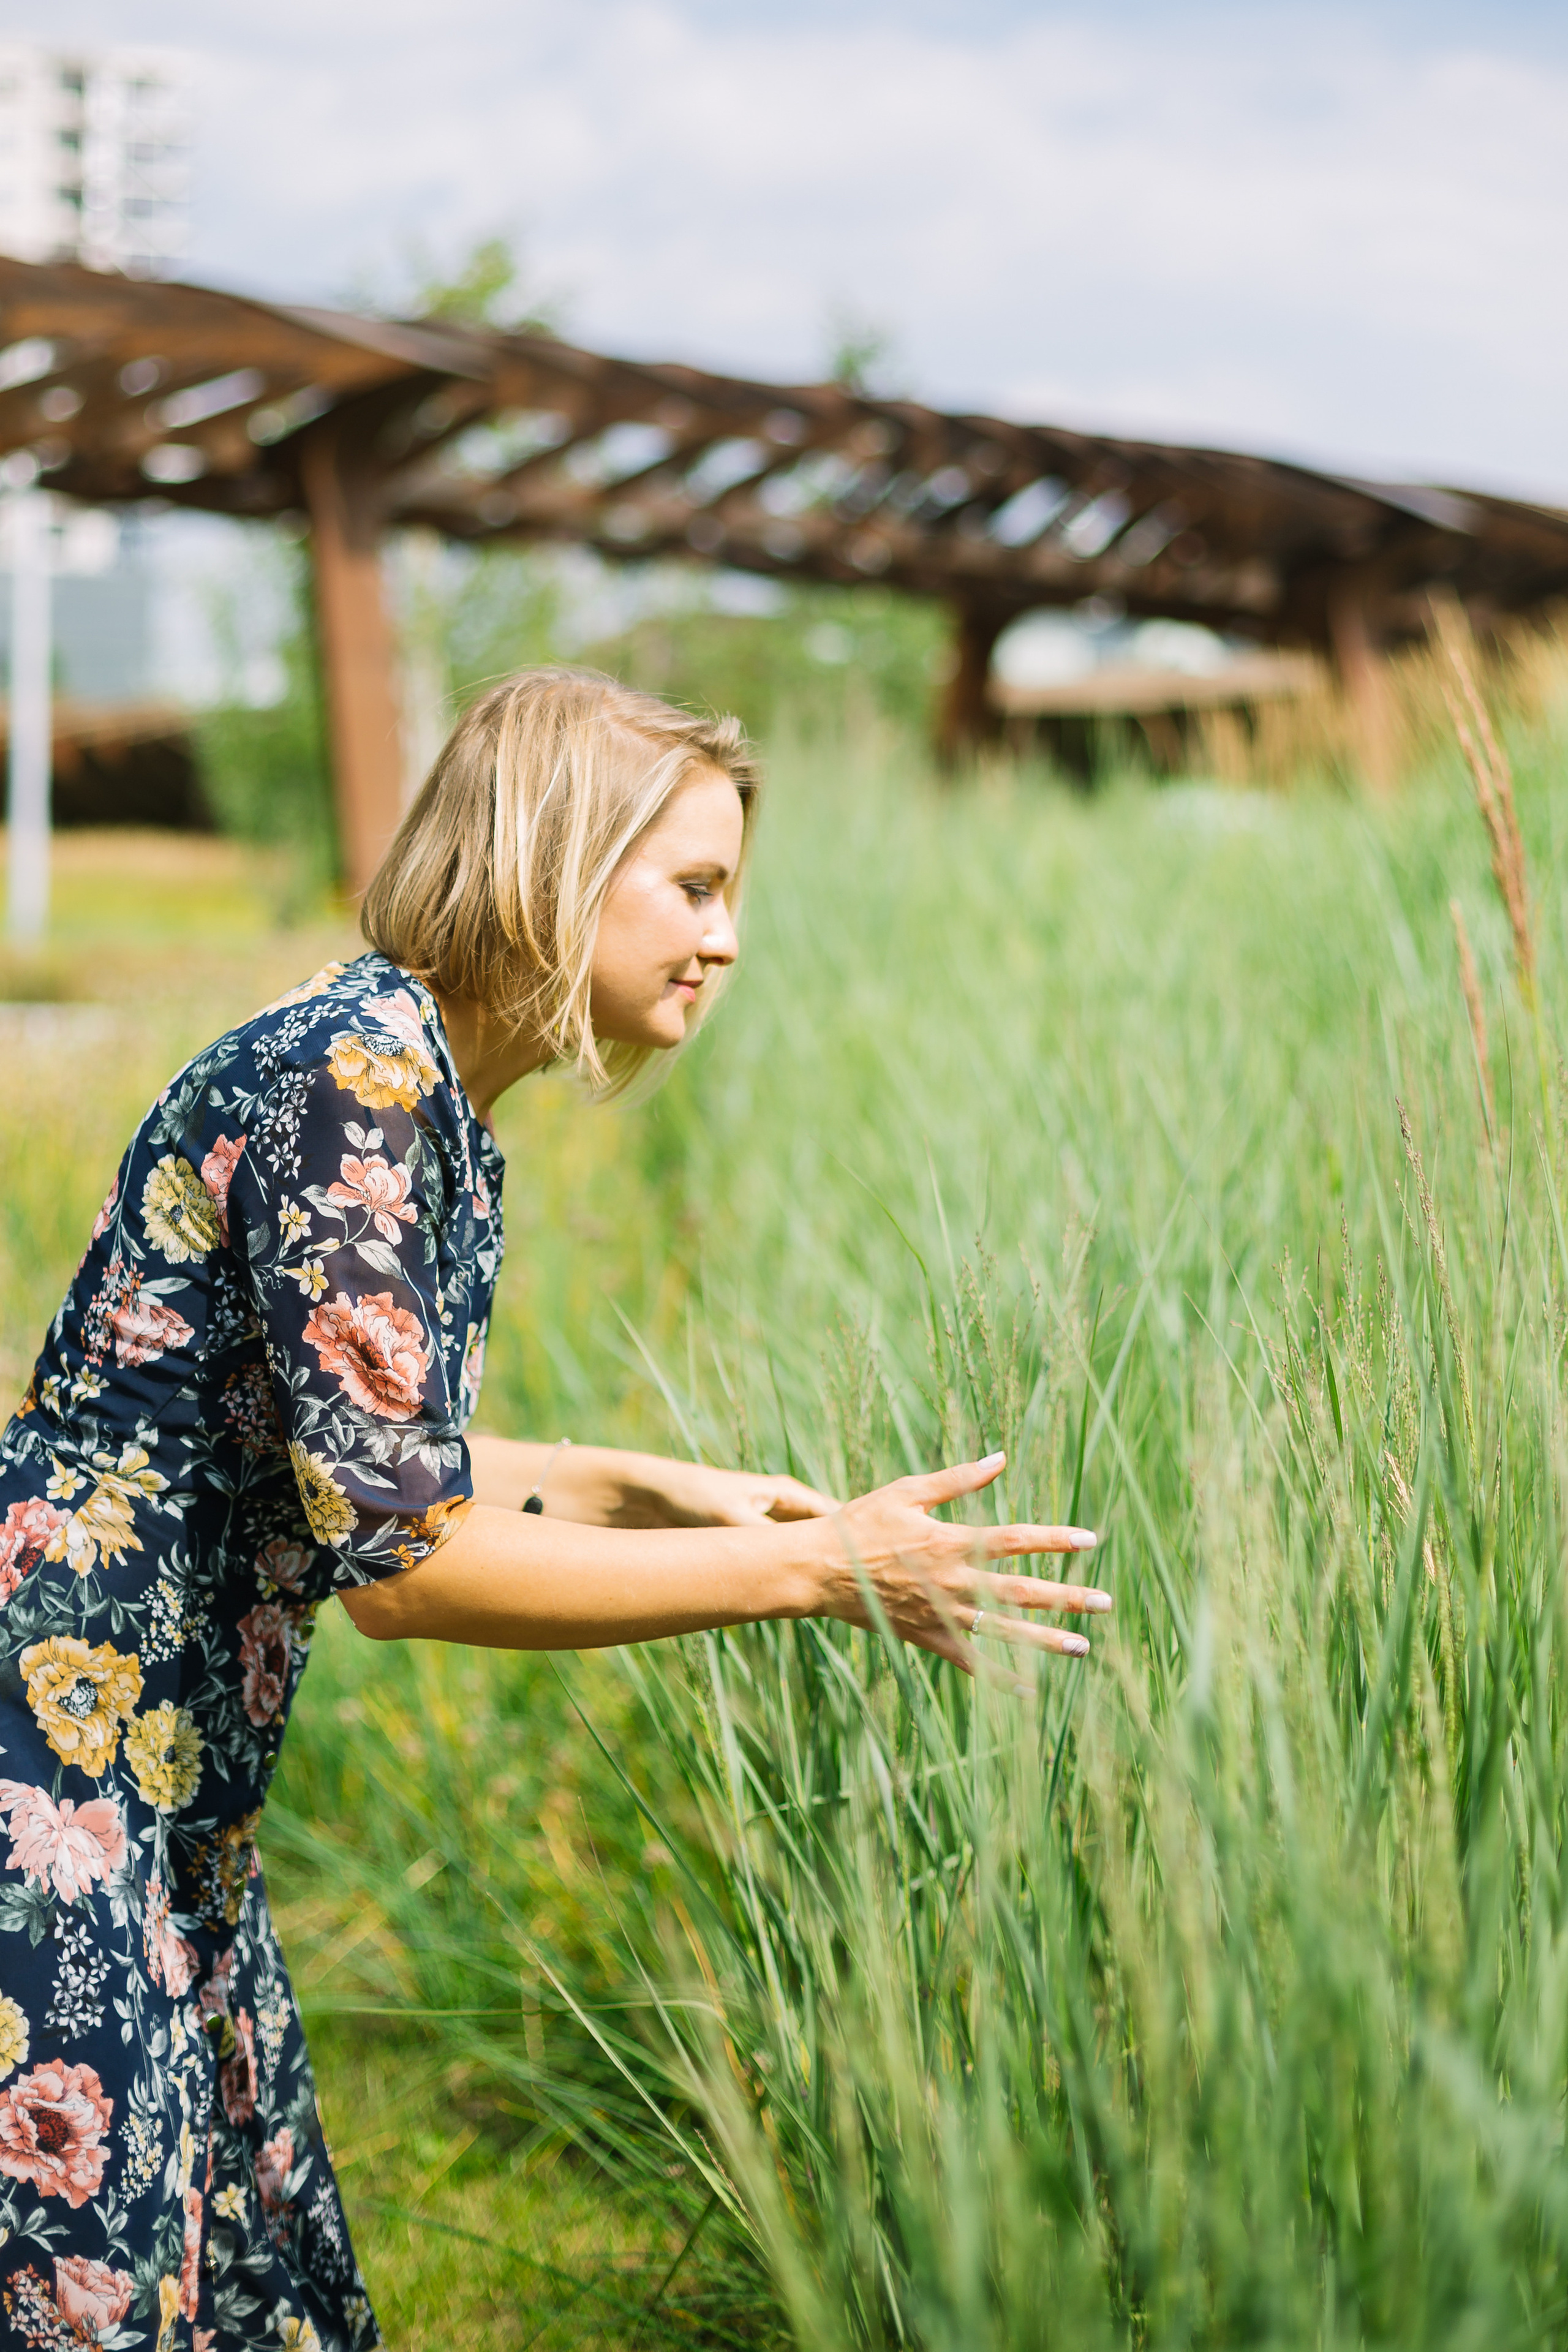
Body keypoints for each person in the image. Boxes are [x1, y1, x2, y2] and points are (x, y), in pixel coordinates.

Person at [0, 668, 1107, 2350]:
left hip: (155, 1783)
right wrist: (818, 1566)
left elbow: (366, 1460)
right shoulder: (349, 1091)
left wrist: (649, 1487)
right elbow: (409, 1566)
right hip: (56, 1765)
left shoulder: (428, 1097)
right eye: (697, 886)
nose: (727, 941)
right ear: (554, 860)